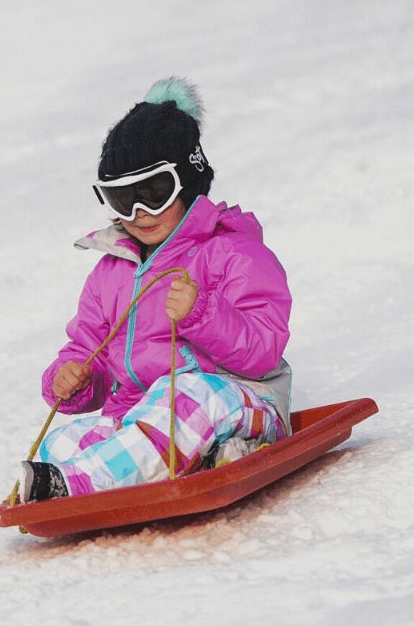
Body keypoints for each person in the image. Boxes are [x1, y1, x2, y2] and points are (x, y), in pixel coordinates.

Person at [19, 77, 294, 503]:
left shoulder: (234, 253)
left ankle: (78, 487)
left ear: (186, 181)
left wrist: (201, 314)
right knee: (65, 442)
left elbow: (263, 351)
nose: (139, 213)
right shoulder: (110, 274)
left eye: (154, 192)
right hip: (146, 417)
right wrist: (73, 378)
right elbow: (88, 347)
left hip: (238, 401)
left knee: (184, 394)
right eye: (122, 198)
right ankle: (189, 461)